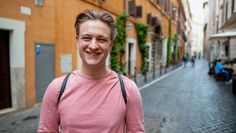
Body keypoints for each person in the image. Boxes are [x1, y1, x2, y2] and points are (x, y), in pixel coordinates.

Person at [37, 9, 145, 132]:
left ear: (111, 44)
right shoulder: (56, 88)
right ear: (78, 40)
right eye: (87, 38)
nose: (93, 46)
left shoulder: (128, 89)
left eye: (101, 39)